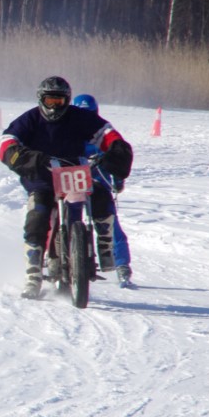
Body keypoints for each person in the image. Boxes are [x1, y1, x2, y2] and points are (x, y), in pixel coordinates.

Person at [0, 76, 133, 299]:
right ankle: (33, 273)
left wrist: (117, 148)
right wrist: (24, 157)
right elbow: (7, 142)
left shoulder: (80, 118)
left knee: (100, 194)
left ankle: (105, 241)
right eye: (50, 101)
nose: (54, 107)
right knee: (38, 215)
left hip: (74, 171)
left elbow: (106, 133)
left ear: (67, 101)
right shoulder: (29, 119)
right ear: (41, 99)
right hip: (42, 175)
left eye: (59, 101)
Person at [73, 93, 134, 286]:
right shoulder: (67, 131)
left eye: (90, 114)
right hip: (73, 183)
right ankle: (56, 255)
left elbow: (117, 156)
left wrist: (118, 179)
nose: (85, 119)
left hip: (99, 184)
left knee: (111, 222)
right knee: (63, 217)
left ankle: (122, 264)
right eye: (81, 114)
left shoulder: (101, 131)